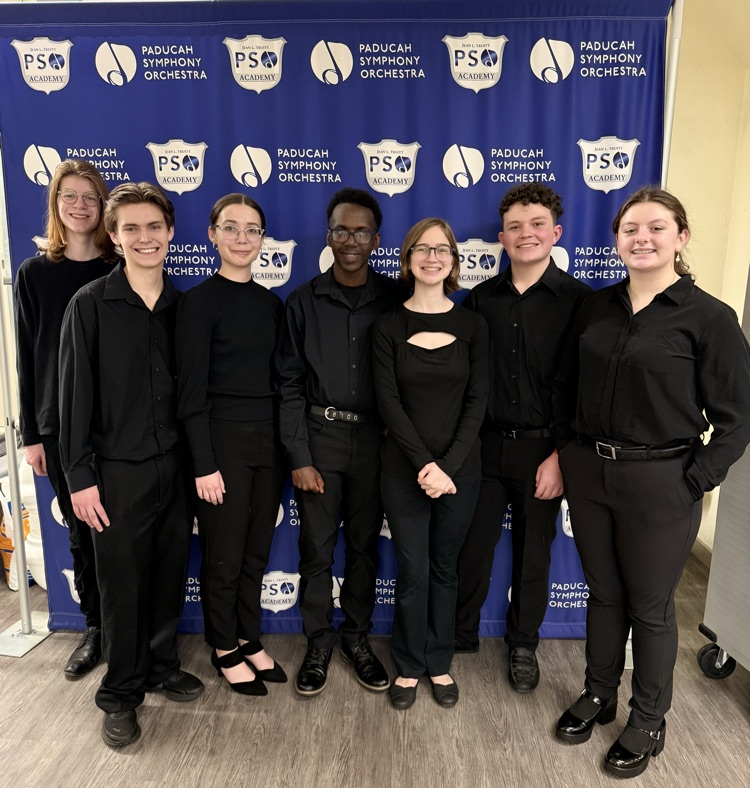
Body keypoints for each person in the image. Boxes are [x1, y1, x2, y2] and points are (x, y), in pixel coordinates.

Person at [552, 187, 750, 778]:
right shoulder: (595, 306)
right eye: (630, 228)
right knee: (604, 592)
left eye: (656, 228)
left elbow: (739, 418)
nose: (642, 238)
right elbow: (566, 387)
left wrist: (696, 481)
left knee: (651, 605)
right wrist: (567, 453)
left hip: (663, 479)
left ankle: (647, 720)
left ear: (680, 238)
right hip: (589, 472)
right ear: (616, 240)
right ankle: (598, 693)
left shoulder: (709, 318)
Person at [59, 182, 203, 748]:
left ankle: (161, 663)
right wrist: (80, 477)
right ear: (114, 238)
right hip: (115, 474)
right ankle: (120, 693)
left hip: (175, 468)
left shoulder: (180, 305)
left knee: (168, 576)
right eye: (130, 229)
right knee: (121, 587)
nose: (145, 237)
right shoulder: (90, 305)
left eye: (154, 227)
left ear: (170, 232)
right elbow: (73, 400)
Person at [455, 184, 590, 692]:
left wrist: (560, 456)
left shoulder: (581, 303)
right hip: (484, 447)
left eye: (536, 224)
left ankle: (522, 646)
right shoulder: (479, 299)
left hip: (545, 451)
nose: (525, 234)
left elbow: (584, 389)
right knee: (471, 545)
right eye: (515, 226)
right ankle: (460, 633)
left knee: (534, 555)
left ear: (555, 233)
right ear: (501, 237)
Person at [275, 187, 404, 696]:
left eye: (361, 231)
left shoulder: (397, 298)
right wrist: (299, 455)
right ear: (329, 235)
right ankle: (319, 640)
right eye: (341, 230)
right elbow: (287, 385)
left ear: (376, 239)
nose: (351, 240)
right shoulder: (302, 301)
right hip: (321, 439)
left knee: (365, 549)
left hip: (377, 442)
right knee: (317, 550)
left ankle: (356, 637)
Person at [372, 218, 488, 710]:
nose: (432, 257)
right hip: (403, 470)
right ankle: (409, 665)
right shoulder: (388, 326)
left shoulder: (473, 325)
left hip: (461, 470)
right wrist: (425, 464)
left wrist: (448, 466)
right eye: (422, 248)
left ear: (454, 260)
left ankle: (439, 663)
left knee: (445, 569)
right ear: (408, 258)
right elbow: (389, 403)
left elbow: (477, 402)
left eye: (442, 249)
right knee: (413, 569)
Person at [176, 194, 285, 696]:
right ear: (212, 235)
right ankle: (223, 646)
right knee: (223, 553)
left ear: (263, 239)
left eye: (253, 230)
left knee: (255, 552)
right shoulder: (197, 303)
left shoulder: (271, 304)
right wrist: (204, 463)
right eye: (232, 228)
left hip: (268, 444)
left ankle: (248, 634)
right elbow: (191, 393)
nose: (243, 239)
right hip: (220, 443)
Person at [14, 159, 117, 679]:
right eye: (69, 196)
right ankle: (95, 628)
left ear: (102, 207)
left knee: (121, 532)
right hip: (58, 429)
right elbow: (28, 360)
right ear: (55, 204)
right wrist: (33, 434)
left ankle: (130, 632)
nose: (79, 205)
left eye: (89, 197)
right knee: (81, 535)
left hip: (116, 425)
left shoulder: (120, 268)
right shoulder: (33, 273)